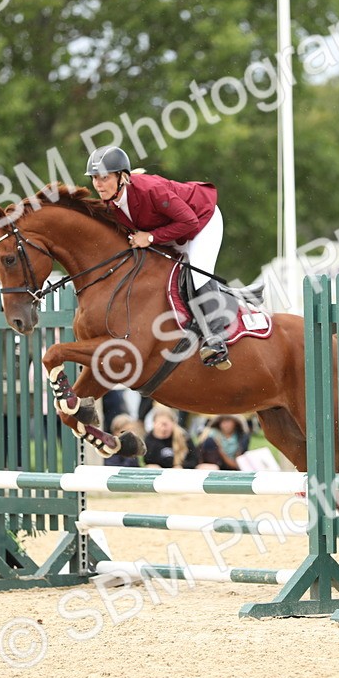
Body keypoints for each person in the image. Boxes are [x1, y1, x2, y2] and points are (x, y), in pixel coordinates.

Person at [86, 145, 232, 370]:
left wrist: (151, 238)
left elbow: (189, 222)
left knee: (196, 273)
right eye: (95, 178)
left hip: (203, 220)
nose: (98, 184)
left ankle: (216, 337)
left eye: (104, 178)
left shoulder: (150, 189)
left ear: (122, 177)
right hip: (173, 229)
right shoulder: (111, 203)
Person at [143, 405, 199, 469]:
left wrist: (181, 467)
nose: (163, 428)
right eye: (160, 424)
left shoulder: (184, 437)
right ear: (154, 424)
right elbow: (147, 460)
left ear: (173, 423)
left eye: (165, 424)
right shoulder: (149, 439)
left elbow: (194, 460)